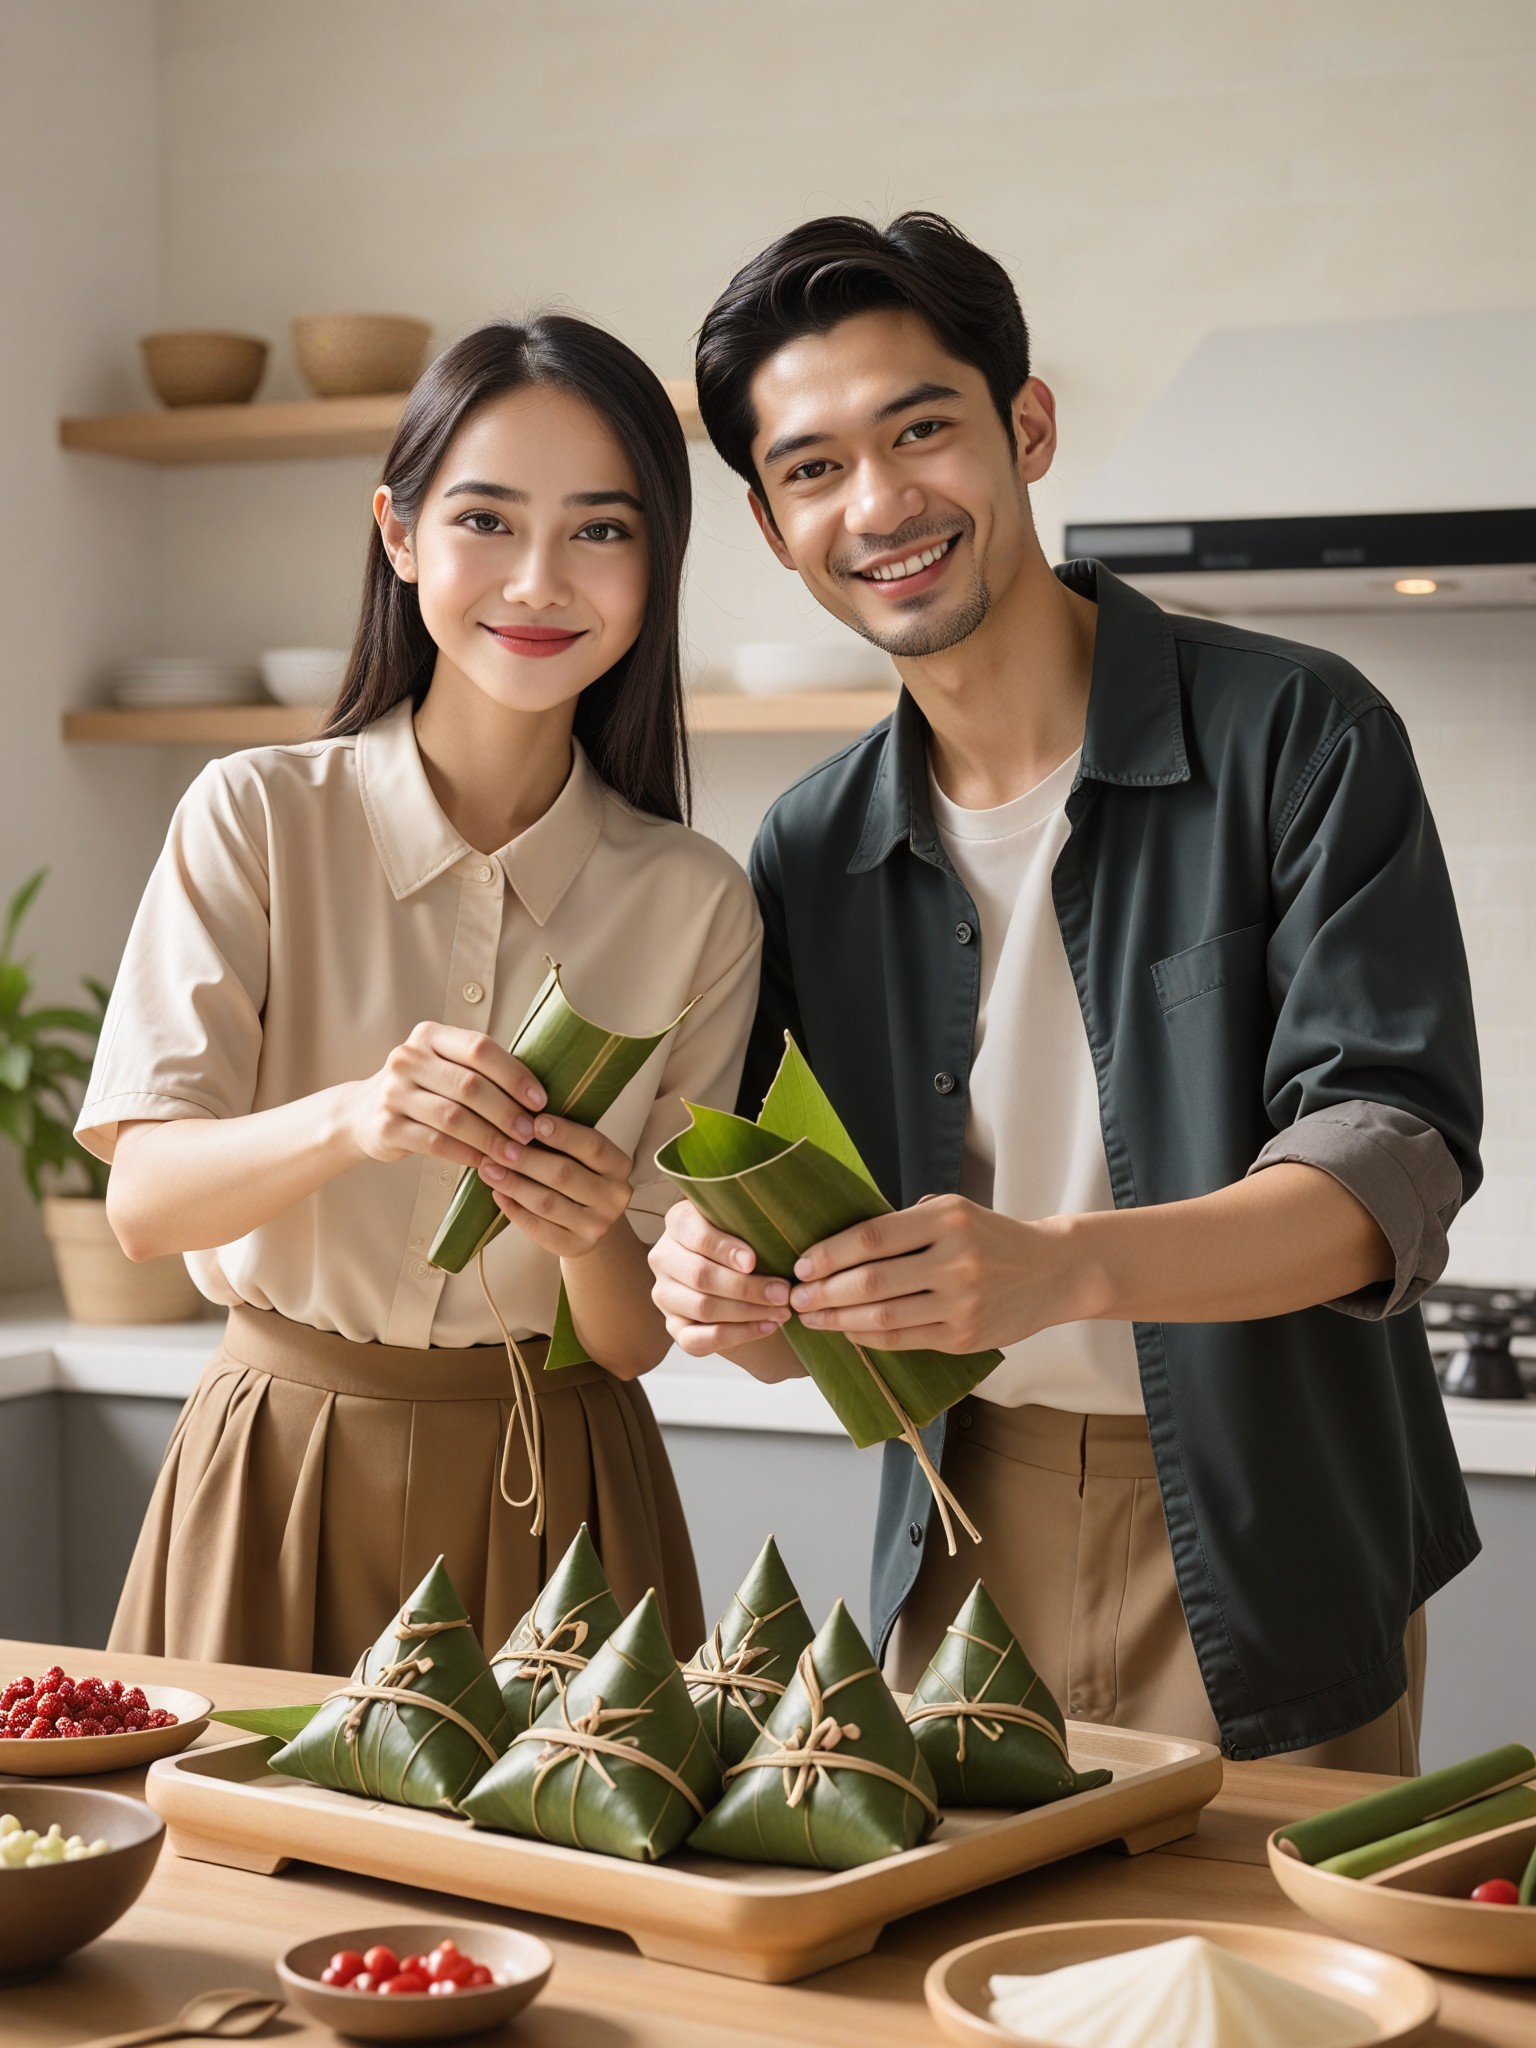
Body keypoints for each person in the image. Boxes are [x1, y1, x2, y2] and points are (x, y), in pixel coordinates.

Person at [649, 212, 1482, 1767]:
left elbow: (1394, 1160)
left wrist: (1057, 1266)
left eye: (922, 431)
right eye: (814, 468)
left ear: (1026, 428)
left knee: (1261, 2005)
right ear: (771, 528)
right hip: (957, 1544)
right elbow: (800, 1303)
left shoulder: (1300, 734)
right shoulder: (809, 847)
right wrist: (726, 1294)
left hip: (1277, 1528)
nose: (882, 503)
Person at [78, 317, 760, 1675]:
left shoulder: (695, 900)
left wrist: (581, 1231)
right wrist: (354, 1118)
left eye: (602, 531)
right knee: (239, 1883)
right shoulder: (258, 816)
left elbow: (631, 1340)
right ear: (399, 535)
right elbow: (144, 1206)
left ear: (657, 565)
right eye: (487, 521)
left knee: (564, 1889)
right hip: (277, 1462)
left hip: (562, 1489)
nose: (539, 580)